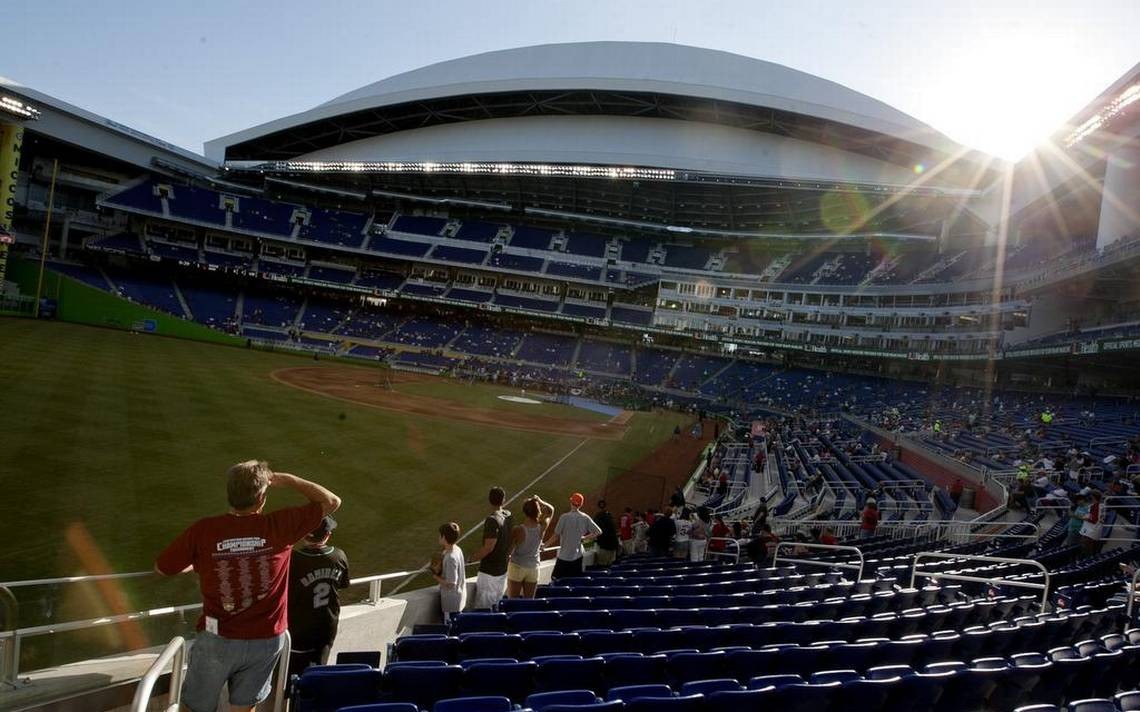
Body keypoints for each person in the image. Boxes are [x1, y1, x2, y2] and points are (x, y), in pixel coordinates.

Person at [155, 461, 340, 712]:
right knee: (244, 709)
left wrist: (199, 562)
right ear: (262, 497)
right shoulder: (281, 525)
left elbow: (163, 567)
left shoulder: (204, 530)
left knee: (195, 708)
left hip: (218, 638)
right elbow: (332, 501)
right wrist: (290, 480)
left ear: (229, 493)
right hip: (267, 638)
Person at [287, 516, 350, 680]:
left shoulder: (293, 558)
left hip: (298, 628)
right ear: (328, 534)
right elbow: (343, 584)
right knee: (316, 675)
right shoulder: (338, 556)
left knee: (289, 679)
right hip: (327, 626)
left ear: (303, 535)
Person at [471, 487, 514, 609]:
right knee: (496, 605)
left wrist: (471, 559)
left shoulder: (492, 520)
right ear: (504, 500)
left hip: (489, 573)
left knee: (483, 608)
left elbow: (488, 547)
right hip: (503, 570)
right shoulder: (509, 516)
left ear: (489, 500)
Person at [544, 492, 602, 579]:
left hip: (564, 557)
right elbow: (598, 531)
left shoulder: (564, 517)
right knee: (574, 581)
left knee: (555, 580)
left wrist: (545, 545)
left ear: (571, 502)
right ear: (580, 505)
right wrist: (585, 538)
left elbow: (555, 536)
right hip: (578, 557)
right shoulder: (585, 517)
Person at [506, 495, 553, 598]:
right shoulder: (541, 527)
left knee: (512, 601)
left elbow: (508, 552)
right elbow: (551, 510)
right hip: (533, 569)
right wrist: (540, 501)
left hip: (517, 567)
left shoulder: (518, 529)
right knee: (529, 602)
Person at [433, 522, 466, 623]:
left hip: (451, 604)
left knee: (450, 629)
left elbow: (451, 583)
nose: (439, 537)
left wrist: (435, 576)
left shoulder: (451, 557)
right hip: (458, 599)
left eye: (440, 535)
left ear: (444, 537)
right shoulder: (457, 549)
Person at [592, 499, 620, 567]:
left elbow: (596, 531)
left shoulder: (598, 517)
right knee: (611, 565)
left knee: (602, 566)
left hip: (604, 546)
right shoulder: (609, 516)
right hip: (613, 545)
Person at [1079, 491, 1103, 555]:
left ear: (1093, 497)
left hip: (1090, 532)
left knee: (1086, 550)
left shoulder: (1096, 506)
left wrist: (1083, 518)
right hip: (1091, 531)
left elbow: (1094, 520)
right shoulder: (1098, 505)